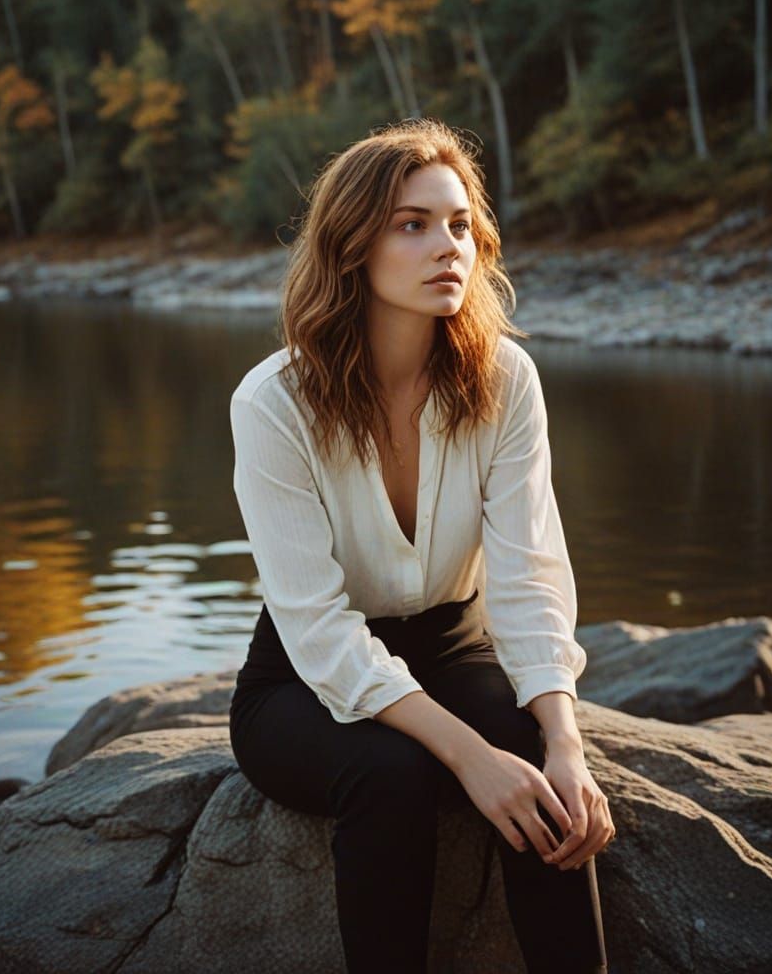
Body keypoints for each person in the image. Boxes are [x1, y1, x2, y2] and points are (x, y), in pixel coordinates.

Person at [228, 119, 613, 974]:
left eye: (460, 224)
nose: (448, 247)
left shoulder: (507, 378)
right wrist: (471, 757)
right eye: (413, 224)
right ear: (352, 245)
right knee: (390, 772)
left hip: (453, 642)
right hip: (299, 680)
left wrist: (563, 743)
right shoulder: (272, 404)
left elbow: (528, 576)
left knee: (547, 789)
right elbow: (319, 633)